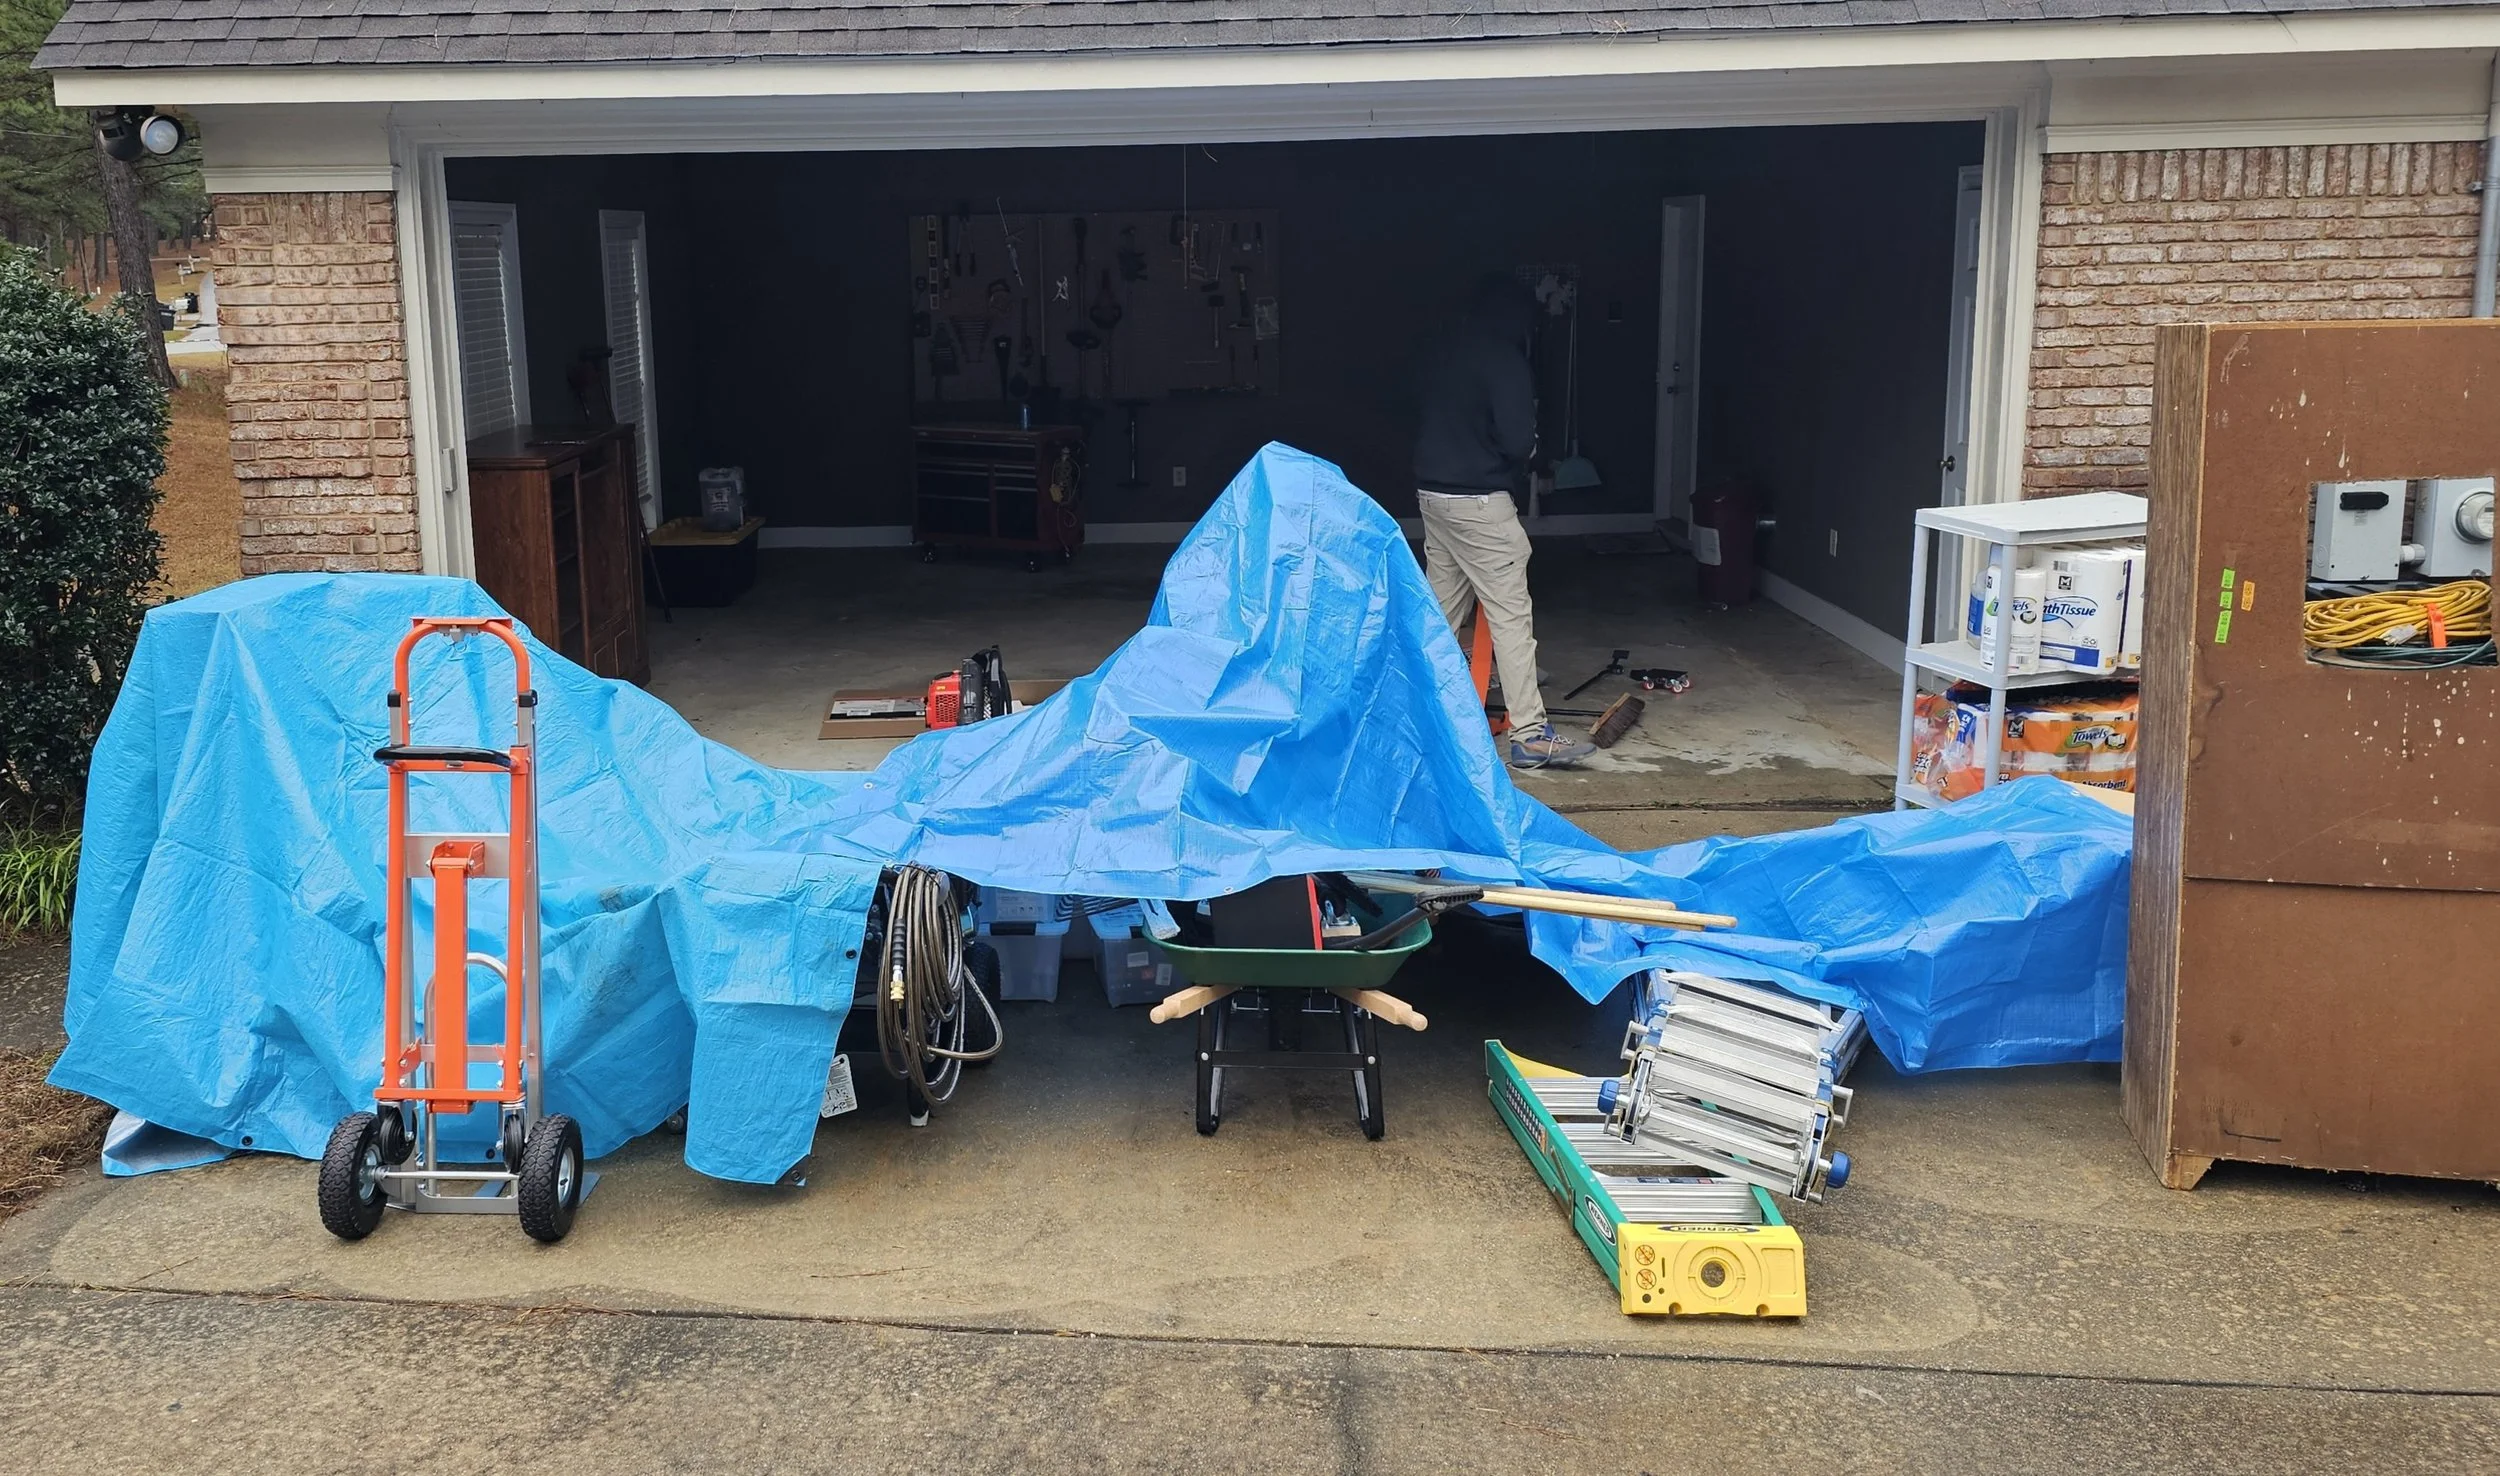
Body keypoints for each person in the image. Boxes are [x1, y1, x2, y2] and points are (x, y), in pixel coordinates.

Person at [1412, 275, 1594, 769]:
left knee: (1438, 616)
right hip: (1480, 503)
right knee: (1511, 617)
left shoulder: (1444, 351)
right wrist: (1535, 453)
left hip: (1433, 494)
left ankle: (1406, 716)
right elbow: (1519, 442)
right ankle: (1530, 735)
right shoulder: (1504, 360)